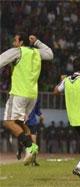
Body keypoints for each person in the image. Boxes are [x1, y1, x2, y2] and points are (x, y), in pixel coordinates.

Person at [1, 33, 53, 165]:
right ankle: (31, 152)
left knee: (8, 122)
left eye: (15, 40)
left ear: (21, 42)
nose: (13, 43)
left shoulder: (18, 51)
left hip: (19, 93)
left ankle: (30, 146)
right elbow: (50, 54)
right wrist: (37, 42)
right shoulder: (36, 52)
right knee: (20, 123)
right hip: (32, 95)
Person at [16, 100, 44, 166]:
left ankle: (33, 161)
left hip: (33, 123)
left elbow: (37, 110)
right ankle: (19, 151)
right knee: (24, 141)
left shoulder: (36, 98)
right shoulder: (23, 98)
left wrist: (41, 115)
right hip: (25, 123)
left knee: (34, 143)